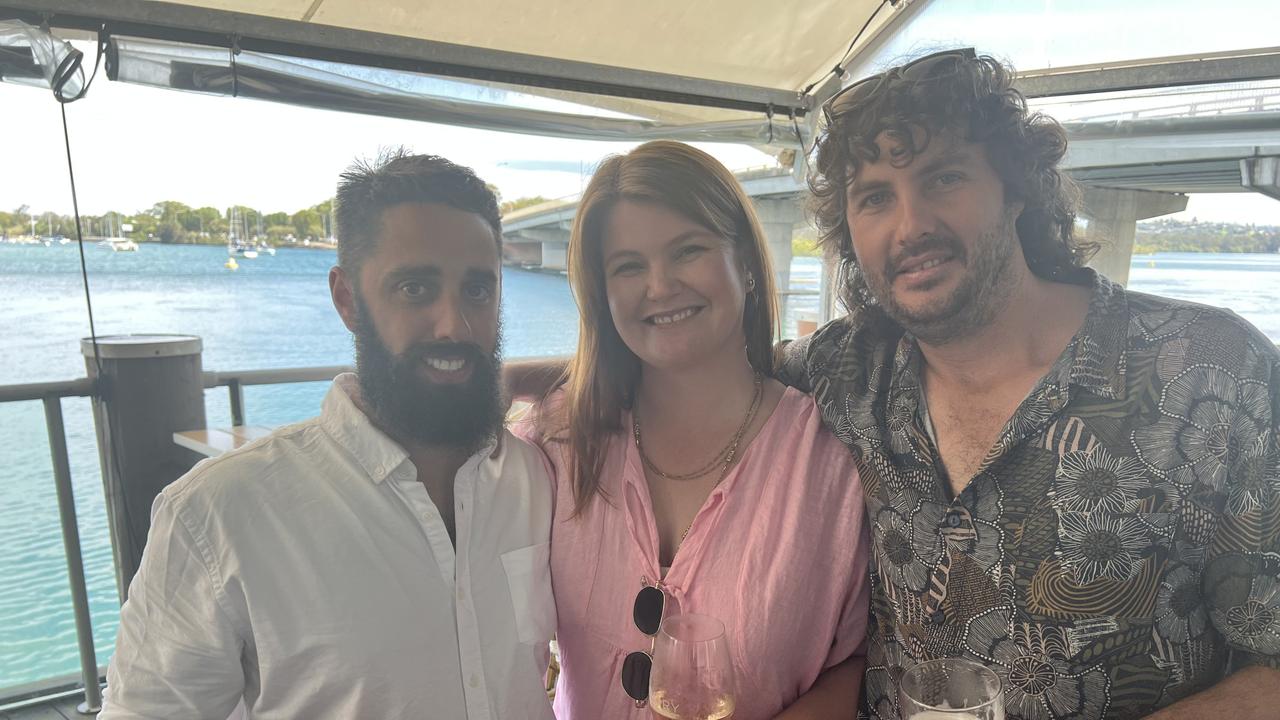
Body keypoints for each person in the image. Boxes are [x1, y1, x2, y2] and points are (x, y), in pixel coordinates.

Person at [780, 48, 1280, 719]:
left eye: (944, 179)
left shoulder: (1215, 373)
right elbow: (700, 365)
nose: (912, 226)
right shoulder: (844, 372)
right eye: (875, 198)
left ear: (1016, 188)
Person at [99, 151, 556, 720]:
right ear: (347, 300)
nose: (453, 324)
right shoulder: (216, 515)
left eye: (477, 291)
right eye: (415, 289)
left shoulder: (536, 478)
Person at [515, 140, 870, 720]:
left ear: (749, 267)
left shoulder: (829, 462)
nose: (659, 286)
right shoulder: (558, 441)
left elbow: (854, 662)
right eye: (628, 266)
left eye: (688, 251)